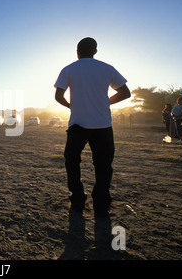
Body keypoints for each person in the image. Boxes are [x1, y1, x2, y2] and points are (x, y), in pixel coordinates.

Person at [54, 37, 131, 217]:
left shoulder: (69, 69)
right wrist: (105, 102)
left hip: (77, 125)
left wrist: (70, 106)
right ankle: (101, 203)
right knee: (103, 165)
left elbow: (58, 95)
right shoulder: (107, 68)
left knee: (72, 161)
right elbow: (125, 92)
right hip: (102, 125)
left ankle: (78, 199)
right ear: (95, 51)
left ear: (77, 52)